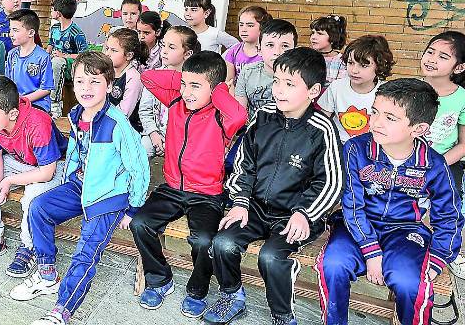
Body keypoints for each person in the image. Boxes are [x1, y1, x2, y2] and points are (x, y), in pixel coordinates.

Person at [205, 47, 344, 325]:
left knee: (270, 257)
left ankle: (282, 315)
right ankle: (232, 295)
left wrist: (305, 213)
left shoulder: (322, 129)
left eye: (290, 84)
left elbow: (331, 181)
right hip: (255, 207)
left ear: (314, 90)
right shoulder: (263, 117)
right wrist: (241, 201)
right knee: (222, 242)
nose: (279, 90)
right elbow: (245, 163)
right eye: (277, 81)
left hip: (296, 215)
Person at [10, 51, 150, 325]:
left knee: (86, 251)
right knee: (39, 207)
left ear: (109, 86)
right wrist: (67, 181)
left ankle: (62, 310)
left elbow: (140, 168)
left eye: (94, 82)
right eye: (80, 81)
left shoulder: (117, 123)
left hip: (107, 197)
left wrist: (133, 208)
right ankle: (47, 273)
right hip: (79, 186)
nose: (86, 89)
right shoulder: (77, 115)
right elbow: (76, 151)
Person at [317, 78, 463, 325]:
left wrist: (438, 257)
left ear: (418, 129)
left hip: (406, 230)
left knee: (410, 282)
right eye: (375, 112)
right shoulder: (356, 149)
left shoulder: (434, 164)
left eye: (390, 118)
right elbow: (352, 204)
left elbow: (449, 215)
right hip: (357, 227)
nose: (376, 122)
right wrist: (371, 250)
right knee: (332, 264)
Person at [132, 50, 246, 317]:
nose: (187, 92)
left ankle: (198, 290)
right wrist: (184, 78)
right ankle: (160, 279)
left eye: (196, 86)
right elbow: (147, 77)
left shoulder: (221, 115)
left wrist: (219, 92)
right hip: (172, 187)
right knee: (140, 224)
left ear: (216, 90)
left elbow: (239, 116)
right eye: (184, 85)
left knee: (203, 240)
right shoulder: (175, 102)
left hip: (206, 193)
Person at [0, 76, 66, 278]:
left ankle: (29, 246)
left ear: (12, 113)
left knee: (33, 195)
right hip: (21, 162)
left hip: (55, 165)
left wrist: (9, 181)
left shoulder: (37, 122)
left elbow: (47, 173)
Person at [418, 31, 465, 278]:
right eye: (430, 52)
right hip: (406, 160)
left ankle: (449, 252)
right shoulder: (411, 90)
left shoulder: (462, 98)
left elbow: (463, 144)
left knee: (448, 209)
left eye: (443, 56)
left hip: (445, 162)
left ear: (459, 67)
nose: (432, 59)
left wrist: (436, 165)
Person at [318, 35, 394, 143]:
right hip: (338, 145)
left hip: (370, 147)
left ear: (379, 66)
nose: (354, 70)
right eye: (350, 63)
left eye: (363, 65)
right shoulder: (336, 87)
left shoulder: (387, 92)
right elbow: (322, 120)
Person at [138, 26, 200, 158]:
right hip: (155, 135)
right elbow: (145, 110)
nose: (164, 51)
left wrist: (171, 143)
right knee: (140, 152)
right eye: (163, 45)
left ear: (187, 54)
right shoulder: (154, 76)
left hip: (184, 140)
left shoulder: (195, 82)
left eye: (171, 47)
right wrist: (154, 134)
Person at [234, 19, 297, 119]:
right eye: (270, 45)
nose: (277, 52)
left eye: (285, 46)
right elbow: (239, 112)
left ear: (294, 50)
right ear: (259, 49)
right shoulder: (247, 72)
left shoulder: (300, 76)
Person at [47, 0, 87, 118]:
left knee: (57, 62)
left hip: (69, 66)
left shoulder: (76, 33)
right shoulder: (54, 28)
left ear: (58, 13)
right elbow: (50, 44)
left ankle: (55, 104)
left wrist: (64, 55)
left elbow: (84, 55)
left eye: (52, 9)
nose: (51, 11)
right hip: (54, 62)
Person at [5, 9, 53, 113]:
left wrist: (23, 100)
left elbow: (46, 89)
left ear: (31, 32)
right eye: (10, 30)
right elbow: (8, 83)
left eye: (15, 30)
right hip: (16, 103)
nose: (10, 34)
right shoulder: (11, 55)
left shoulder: (43, 57)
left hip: (38, 105)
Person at [103, 28, 146, 130]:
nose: (108, 53)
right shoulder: (106, 71)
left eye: (114, 50)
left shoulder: (133, 78)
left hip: (126, 130)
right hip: (104, 123)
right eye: (107, 48)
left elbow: (124, 113)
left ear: (129, 55)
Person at [224, 6, 272, 85]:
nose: (243, 29)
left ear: (263, 28)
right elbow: (229, 81)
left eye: (250, 25)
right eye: (241, 25)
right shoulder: (233, 51)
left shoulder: (268, 52)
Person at [310, 15, 348, 87]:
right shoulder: (307, 58)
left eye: (320, 33)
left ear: (333, 37)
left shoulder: (342, 61)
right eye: (312, 33)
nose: (313, 37)